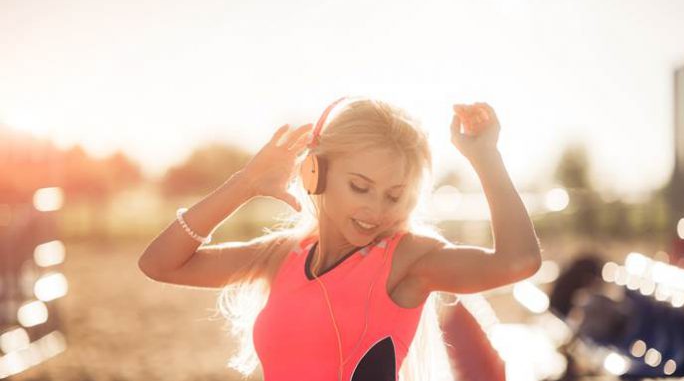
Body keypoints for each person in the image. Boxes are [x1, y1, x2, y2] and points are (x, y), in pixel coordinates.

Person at [138, 96, 542, 381]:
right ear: (316, 172)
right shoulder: (282, 256)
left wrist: (485, 157)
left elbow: (517, 261)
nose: (377, 210)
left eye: (394, 195)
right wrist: (244, 184)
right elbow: (160, 263)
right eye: (360, 187)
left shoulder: (407, 259)